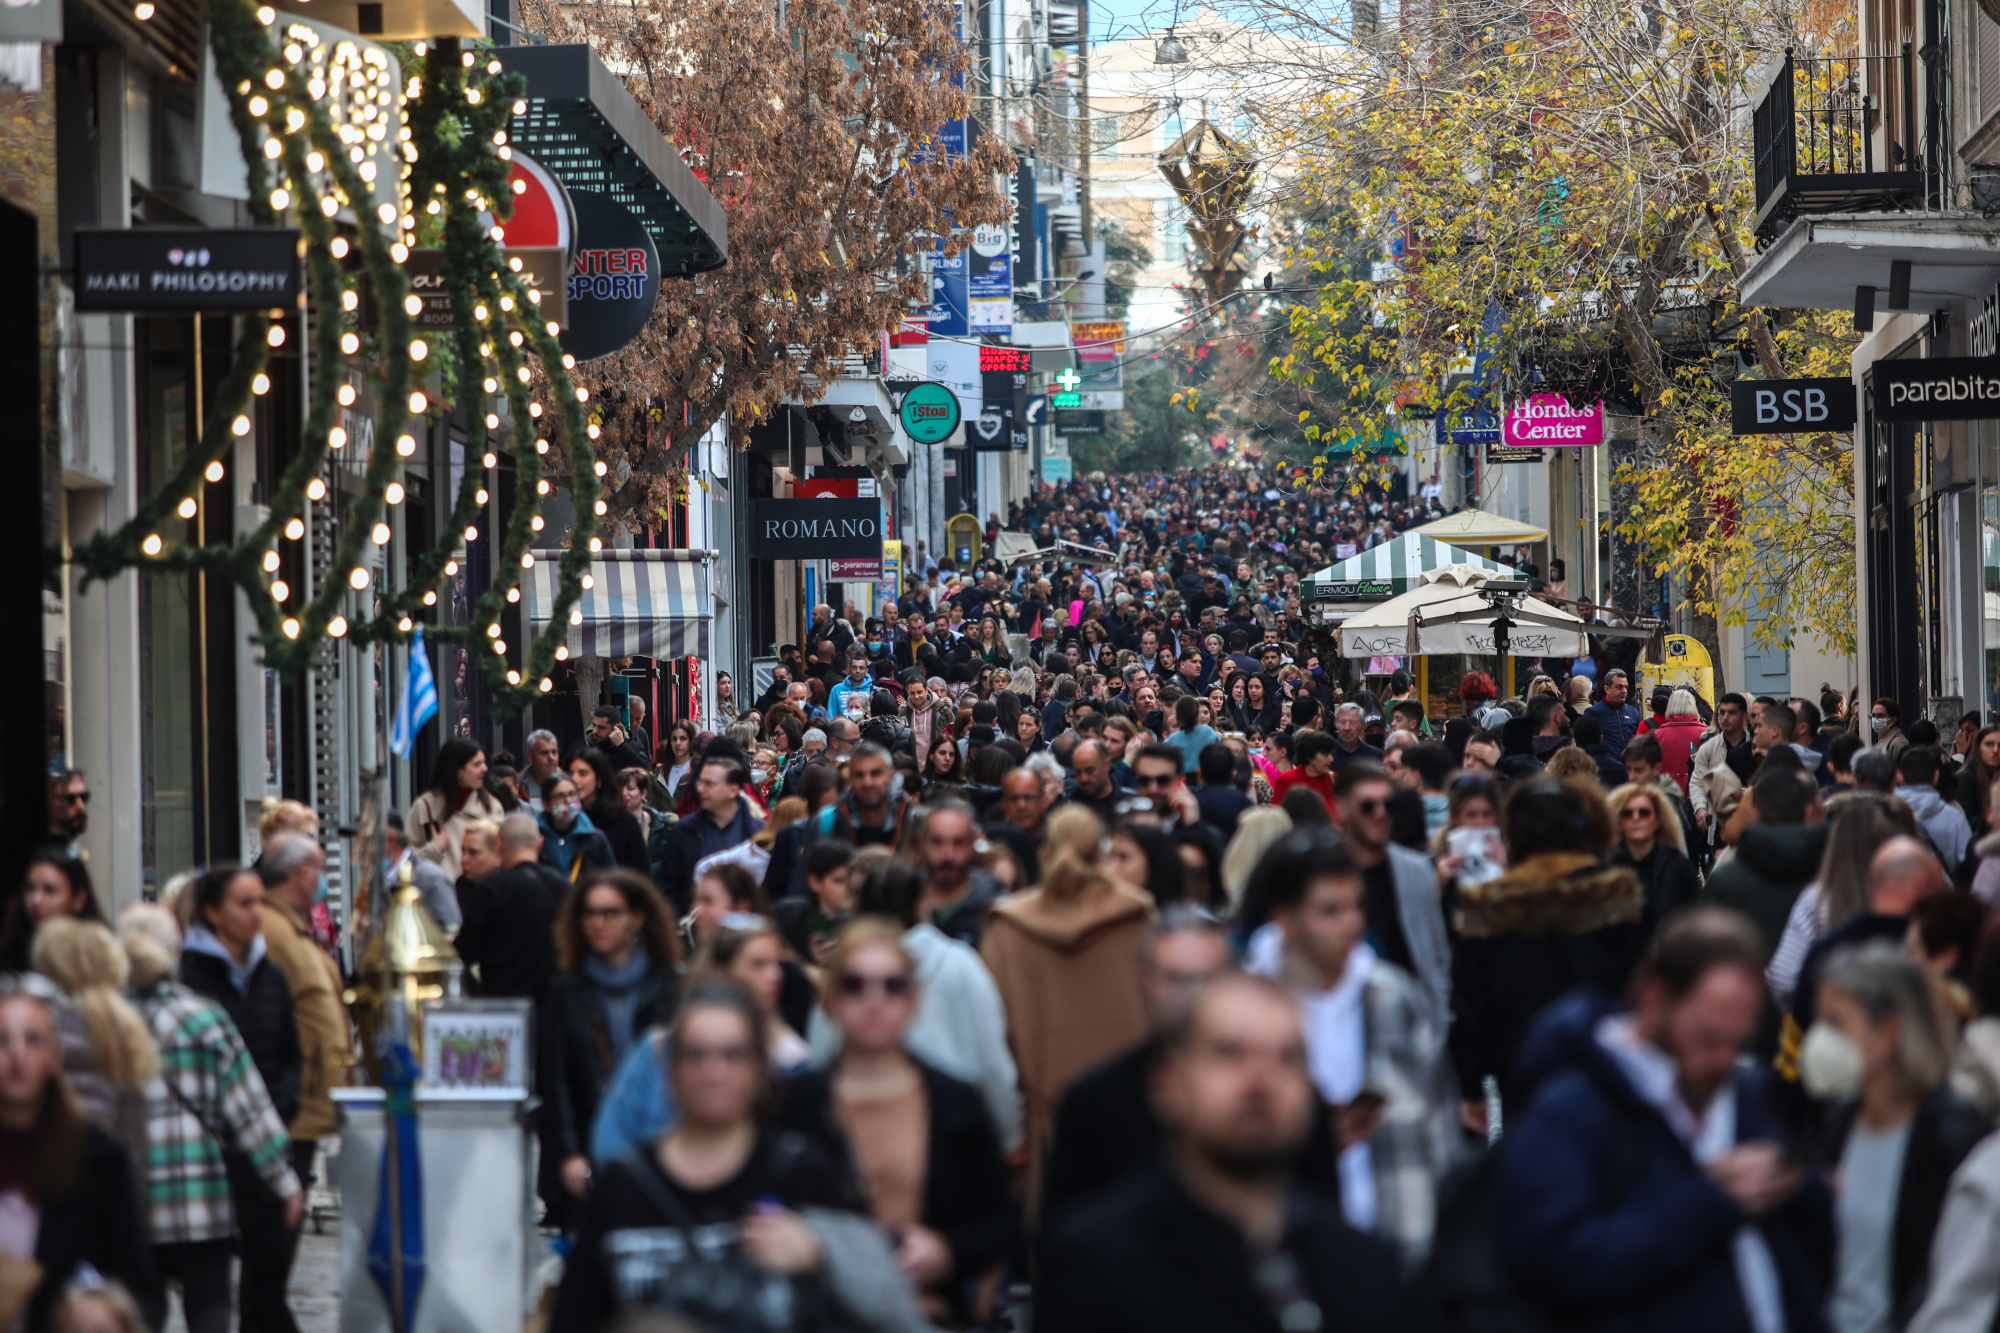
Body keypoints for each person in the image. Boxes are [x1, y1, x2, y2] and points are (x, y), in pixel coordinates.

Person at [1494, 909, 1833, 1333]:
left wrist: (1803, 1187)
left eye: (1738, 1042)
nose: (1724, 1061)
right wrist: (1708, 1203)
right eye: (1708, 1038)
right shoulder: (1570, 1112)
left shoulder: (1745, 1094)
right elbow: (1556, 1262)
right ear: (1655, 1000)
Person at [1037, 974, 1409, 1333]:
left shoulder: (1363, 1269)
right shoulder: (1095, 1268)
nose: (1261, 1080)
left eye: (1287, 1057)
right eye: (1229, 1053)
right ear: (1168, 1083)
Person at [549, 978, 926, 1333]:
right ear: (671, 1066)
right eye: (696, 1054)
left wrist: (822, 1252)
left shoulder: (802, 1172)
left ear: (759, 1065)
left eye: (733, 1055)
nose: (714, 1071)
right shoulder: (622, 1187)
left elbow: (890, 1305)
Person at [779, 921, 1016, 1323]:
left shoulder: (956, 1101)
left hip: (927, 1310)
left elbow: (999, 1222)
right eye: (855, 985)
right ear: (831, 999)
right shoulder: (794, 1105)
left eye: (892, 985)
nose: (875, 1000)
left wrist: (947, 1250)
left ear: (913, 999)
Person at [1254, 837, 1452, 1262]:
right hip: (1278, 1251)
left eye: (1355, 905)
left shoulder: (1393, 996)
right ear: (1285, 919)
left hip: (1392, 1240)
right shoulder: (1244, 1009)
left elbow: (1438, 1131)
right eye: (1330, 910)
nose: (1352, 922)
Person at [121, 904, 302, 1333]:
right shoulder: (204, 1018)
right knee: (210, 1308)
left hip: (129, 1196)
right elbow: (250, 1111)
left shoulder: (105, 1020)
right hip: (199, 1197)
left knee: (139, 1313)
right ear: (176, 951)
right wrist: (284, 1181)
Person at [1807, 942, 1992, 1332]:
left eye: (1836, 1024)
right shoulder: (1842, 1120)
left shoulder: (1951, 1136)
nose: (1820, 1039)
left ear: (1888, 1031)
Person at [1450, 777, 1649, 1130]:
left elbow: (1469, 1005)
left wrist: (1471, 1085)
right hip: (1604, 1067)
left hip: (1520, 1072)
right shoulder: (1615, 895)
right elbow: (1642, 990)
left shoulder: (1488, 907)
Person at [980, 805, 1154, 1209]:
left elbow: (993, 1041)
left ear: (1046, 853)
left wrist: (1007, 1128)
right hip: (1128, 1123)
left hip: (1037, 1129)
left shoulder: (1007, 925)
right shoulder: (1138, 915)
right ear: (1100, 853)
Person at [803, 857, 1023, 1156]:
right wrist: (1010, 1131)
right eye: (859, 988)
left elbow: (820, 1053)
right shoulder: (960, 963)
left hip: (862, 1139)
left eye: (894, 986)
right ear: (922, 904)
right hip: (951, 1138)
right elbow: (993, 1059)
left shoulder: (843, 972)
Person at [1044, 908, 1238, 1219]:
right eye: (1178, 980)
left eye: (1210, 979)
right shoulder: (1094, 1103)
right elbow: (1062, 1233)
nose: (1195, 997)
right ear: (1143, 983)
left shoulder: (1276, 1094)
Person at [0, 980, 161, 1333]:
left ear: (56, 1056)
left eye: (32, 1040)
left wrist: (101, 1310)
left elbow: (139, 1284)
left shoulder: (96, 1157)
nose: (17, 1054)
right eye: (3, 1040)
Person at [541, 868, 680, 1230]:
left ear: (637, 918)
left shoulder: (669, 985)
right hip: (592, 1138)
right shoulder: (567, 991)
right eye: (589, 913)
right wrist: (570, 1153)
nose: (597, 923)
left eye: (610, 913)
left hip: (657, 1135)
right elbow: (556, 1080)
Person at [252, 834, 346, 1245]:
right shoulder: (272, 930)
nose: (322, 881)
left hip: (306, 1104)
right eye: (319, 871)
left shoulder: (292, 926)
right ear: (302, 874)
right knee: (276, 1234)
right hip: (293, 1104)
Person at [1331, 761, 1453, 1025]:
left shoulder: (1417, 871)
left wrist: (1439, 1017)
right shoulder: (1323, 872)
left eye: (1389, 805)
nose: (1380, 813)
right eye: (1367, 806)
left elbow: (1436, 952)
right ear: (1342, 808)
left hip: (1413, 1021)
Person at [1704, 767, 1827, 974]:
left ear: (1755, 815)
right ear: (1808, 812)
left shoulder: (1725, 880)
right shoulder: (1831, 873)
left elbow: (1707, 955)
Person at [457, 812, 571, 1001]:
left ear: (499, 845)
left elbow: (461, 956)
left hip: (502, 1010)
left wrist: (479, 996)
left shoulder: (490, 890)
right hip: (553, 1009)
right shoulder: (563, 887)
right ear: (539, 843)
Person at [660, 755, 766, 913]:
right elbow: (669, 887)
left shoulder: (759, 833)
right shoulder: (685, 830)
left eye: (709, 784)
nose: (700, 789)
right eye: (700, 782)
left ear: (733, 790)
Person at [405, 737, 508, 882]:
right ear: (458, 771)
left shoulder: (492, 807)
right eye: (477, 764)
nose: (485, 769)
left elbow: (502, 855)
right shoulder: (425, 807)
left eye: (484, 763)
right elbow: (403, 861)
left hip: (481, 895)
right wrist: (434, 850)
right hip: (438, 896)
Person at [1607, 781, 1702, 931]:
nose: (1636, 818)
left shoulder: (1678, 866)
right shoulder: (1608, 868)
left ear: (1657, 819)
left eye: (1644, 812)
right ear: (1618, 822)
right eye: (1627, 813)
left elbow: (1695, 919)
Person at [0, 849, 101, 972]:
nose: (36, 901)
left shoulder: (96, 960)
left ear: (79, 899)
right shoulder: (9, 953)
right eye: (30, 889)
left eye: (49, 890)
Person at [569, 747, 652, 874]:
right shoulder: (566, 818)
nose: (575, 780)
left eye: (583, 773)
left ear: (599, 779)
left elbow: (640, 875)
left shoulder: (624, 821)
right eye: (571, 773)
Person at [1896, 747, 1972, 875]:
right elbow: (1967, 864)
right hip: (1941, 891)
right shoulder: (1954, 817)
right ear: (1935, 777)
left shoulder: (1884, 814)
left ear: (1899, 776)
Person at [537, 773, 617, 883]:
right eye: (560, 796)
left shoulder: (595, 838)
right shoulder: (534, 838)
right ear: (546, 804)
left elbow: (611, 879)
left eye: (572, 794)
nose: (568, 800)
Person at [1873, 698, 1910, 763]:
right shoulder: (1882, 739)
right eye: (1873, 715)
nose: (1875, 719)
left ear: (1893, 720)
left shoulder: (1898, 743)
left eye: (1880, 715)